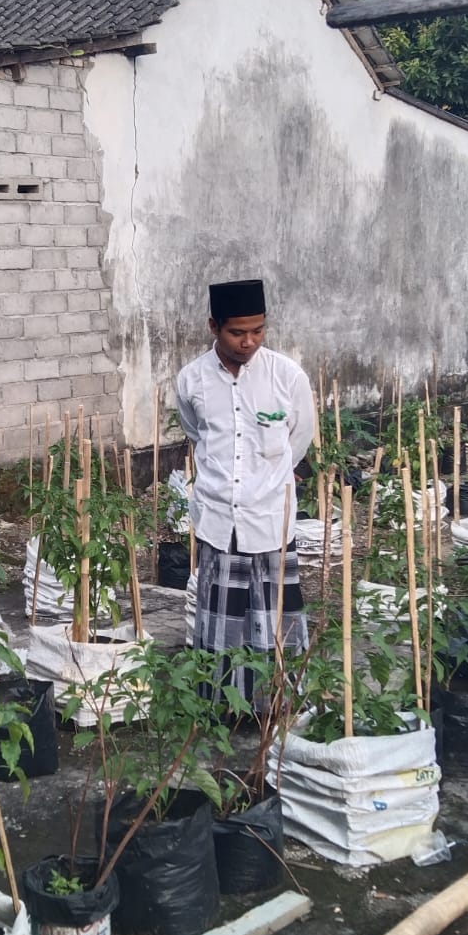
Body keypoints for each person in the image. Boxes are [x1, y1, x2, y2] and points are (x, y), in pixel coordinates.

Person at [176, 280, 315, 708]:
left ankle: (274, 704)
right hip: (219, 519)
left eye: (258, 330)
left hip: (270, 516)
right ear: (214, 327)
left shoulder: (287, 377)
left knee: (273, 618)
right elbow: (196, 433)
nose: (249, 341)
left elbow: (299, 439)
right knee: (220, 623)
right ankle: (221, 705)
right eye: (238, 332)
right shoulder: (192, 380)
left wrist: (266, 480)